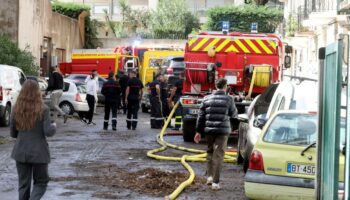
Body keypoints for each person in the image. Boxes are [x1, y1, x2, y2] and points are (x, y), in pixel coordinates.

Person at [10, 80, 57, 200]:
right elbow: (48, 132)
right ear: (37, 92)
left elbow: (13, 133)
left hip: (20, 152)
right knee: (41, 182)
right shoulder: (43, 109)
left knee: (23, 185)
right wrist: (54, 126)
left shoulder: (16, 109)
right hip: (39, 153)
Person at [194, 78, 237, 190]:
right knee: (218, 155)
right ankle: (215, 183)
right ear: (225, 86)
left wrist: (198, 131)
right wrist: (231, 128)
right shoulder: (229, 99)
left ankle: (209, 177)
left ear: (215, 86)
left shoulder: (206, 98)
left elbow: (201, 116)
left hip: (209, 131)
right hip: (222, 132)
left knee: (210, 152)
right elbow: (234, 115)